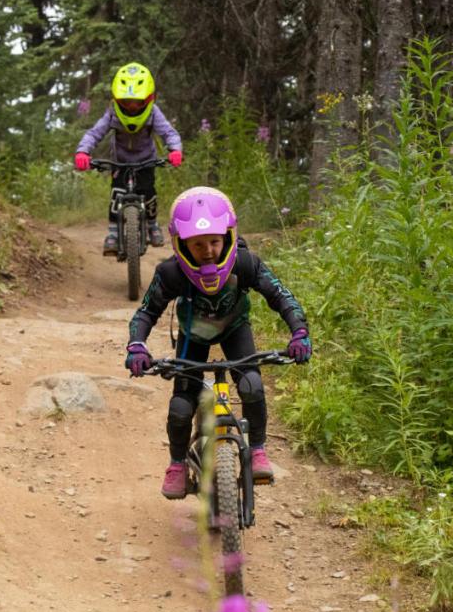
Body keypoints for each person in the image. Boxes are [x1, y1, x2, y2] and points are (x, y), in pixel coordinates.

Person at [124, 186, 312, 499]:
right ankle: (177, 464)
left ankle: (259, 451)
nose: (208, 250)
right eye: (198, 245)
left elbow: (281, 296)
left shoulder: (245, 263)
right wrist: (137, 345)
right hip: (192, 333)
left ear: (228, 236)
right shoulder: (171, 273)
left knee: (251, 383)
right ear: (181, 244)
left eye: (214, 241)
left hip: (234, 327)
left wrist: (299, 332)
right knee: (181, 405)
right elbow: (145, 312)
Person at [74, 62, 183, 253]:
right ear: (117, 99)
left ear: (149, 99)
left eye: (138, 102)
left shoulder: (153, 112)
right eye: (127, 101)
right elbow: (94, 134)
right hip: (120, 161)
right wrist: (83, 152)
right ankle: (114, 233)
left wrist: (175, 150)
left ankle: (152, 225)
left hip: (146, 160)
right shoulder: (113, 113)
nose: (132, 107)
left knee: (149, 192)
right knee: (117, 194)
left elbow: (169, 133)